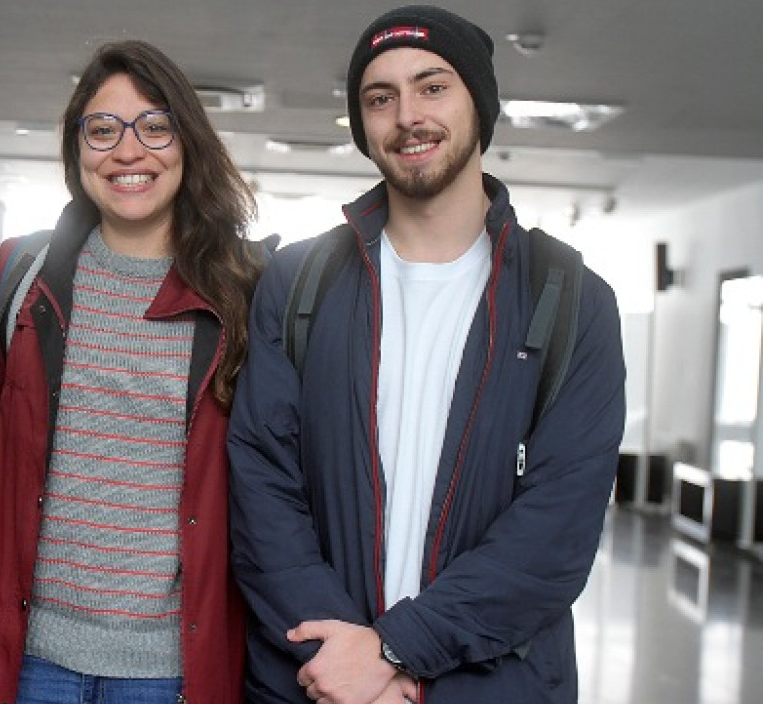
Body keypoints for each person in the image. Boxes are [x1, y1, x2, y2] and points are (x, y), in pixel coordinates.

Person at [227, 5, 626, 704]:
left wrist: (394, 650)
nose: (407, 116)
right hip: (312, 681)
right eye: (380, 98)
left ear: (480, 105)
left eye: (433, 87)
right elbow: (262, 488)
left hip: (491, 686)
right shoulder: (298, 282)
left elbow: (555, 530)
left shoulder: (569, 299)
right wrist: (343, 664)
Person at [0, 39, 263, 704]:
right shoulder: (25, 274)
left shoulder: (247, 292)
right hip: (32, 660)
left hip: (170, 669)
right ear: (77, 148)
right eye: (103, 130)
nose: (128, 151)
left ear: (188, 142)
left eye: (155, 127)